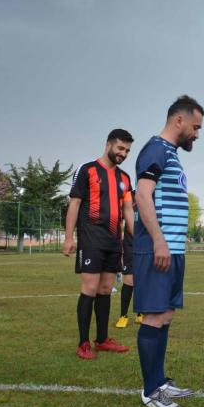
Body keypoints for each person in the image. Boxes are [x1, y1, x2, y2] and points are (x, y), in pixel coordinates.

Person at [133, 95, 204, 407]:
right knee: (153, 315)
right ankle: (150, 392)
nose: (197, 134)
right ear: (179, 121)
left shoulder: (171, 154)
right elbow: (143, 195)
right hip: (157, 249)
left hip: (173, 250)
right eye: (195, 127)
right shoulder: (154, 149)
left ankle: (159, 381)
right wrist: (159, 241)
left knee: (167, 314)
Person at [63, 128, 135, 359]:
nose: (123, 153)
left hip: (114, 241)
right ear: (108, 145)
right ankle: (83, 343)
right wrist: (68, 237)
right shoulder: (88, 170)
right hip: (91, 239)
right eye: (120, 148)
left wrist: (138, 238)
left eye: (127, 150)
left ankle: (102, 340)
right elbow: (74, 204)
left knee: (105, 290)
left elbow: (127, 211)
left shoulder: (125, 179)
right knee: (90, 289)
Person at [115, 227, 143, 328]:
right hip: (130, 242)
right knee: (129, 281)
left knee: (142, 279)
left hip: (145, 239)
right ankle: (123, 316)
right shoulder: (130, 210)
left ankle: (141, 313)